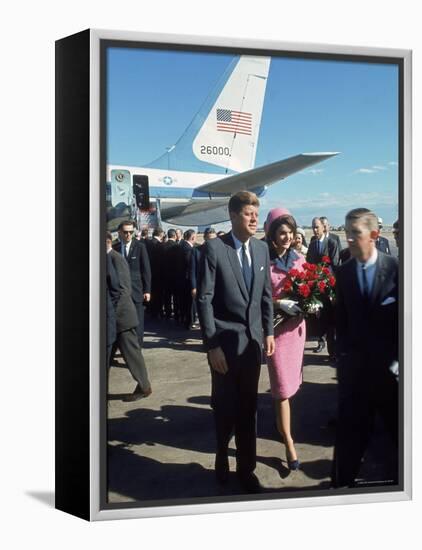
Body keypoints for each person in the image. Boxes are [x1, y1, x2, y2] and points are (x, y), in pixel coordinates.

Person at [197, 191, 275, 493]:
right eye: (248, 213)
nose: (255, 218)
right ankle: (221, 454)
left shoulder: (261, 249)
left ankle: (247, 468)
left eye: (257, 212)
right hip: (224, 348)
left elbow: (266, 295)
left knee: (248, 409)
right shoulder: (215, 249)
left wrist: (268, 331)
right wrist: (212, 345)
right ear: (232, 216)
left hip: (253, 345)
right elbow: (204, 299)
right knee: (224, 407)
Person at [332, 208, 398, 488]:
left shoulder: (397, 270)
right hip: (355, 375)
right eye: (346, 233)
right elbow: (341, 322)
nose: (348, 239)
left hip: (391, 376)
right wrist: (343, 361)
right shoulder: (343, 274)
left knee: (398, 439)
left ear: (373, 235)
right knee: (349, 438)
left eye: (354, 233)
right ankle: (339, 489)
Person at [265, 208, 306, 470]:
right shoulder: (262, 261)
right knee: (281, 389)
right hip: (277, 333)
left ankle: (283, 426)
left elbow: (310, 288)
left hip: (297, 331)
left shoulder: (299, 259)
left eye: (290, 233)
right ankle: (289, 442)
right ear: (271, 234)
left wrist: (310, 303)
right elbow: (257, 296)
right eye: (282, 233)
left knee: (291, 386)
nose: (287, 237)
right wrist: (279, 303)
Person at [107, 233, 152, 401]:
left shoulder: (114, 258)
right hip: (116, 318)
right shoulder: (113, 256)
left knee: (132, 355)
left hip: (120, 318)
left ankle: (144, 386)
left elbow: (121, 290)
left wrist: (112, 315)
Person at [113, 220, 151, 346]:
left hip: (136, 290)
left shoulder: (140, 247)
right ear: (119, 232)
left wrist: (147, 290)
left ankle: (137, 347)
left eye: (131, 232)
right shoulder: (116, 248)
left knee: (138, 321)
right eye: (125, 232)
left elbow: (146, 270)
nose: (128, 235)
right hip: (119, 292)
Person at [307, 217, 340, 359]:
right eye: (313, 227)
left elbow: (335, 264)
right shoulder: (312, 243)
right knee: (319, 317)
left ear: (323, 227)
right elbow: (309, 262)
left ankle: (333, 351)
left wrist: (327, 281)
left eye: (317, 227)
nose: (315, 230)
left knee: (331, 319)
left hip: (329, 286)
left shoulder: (331, 242)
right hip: (316, 286)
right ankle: (321, 341)